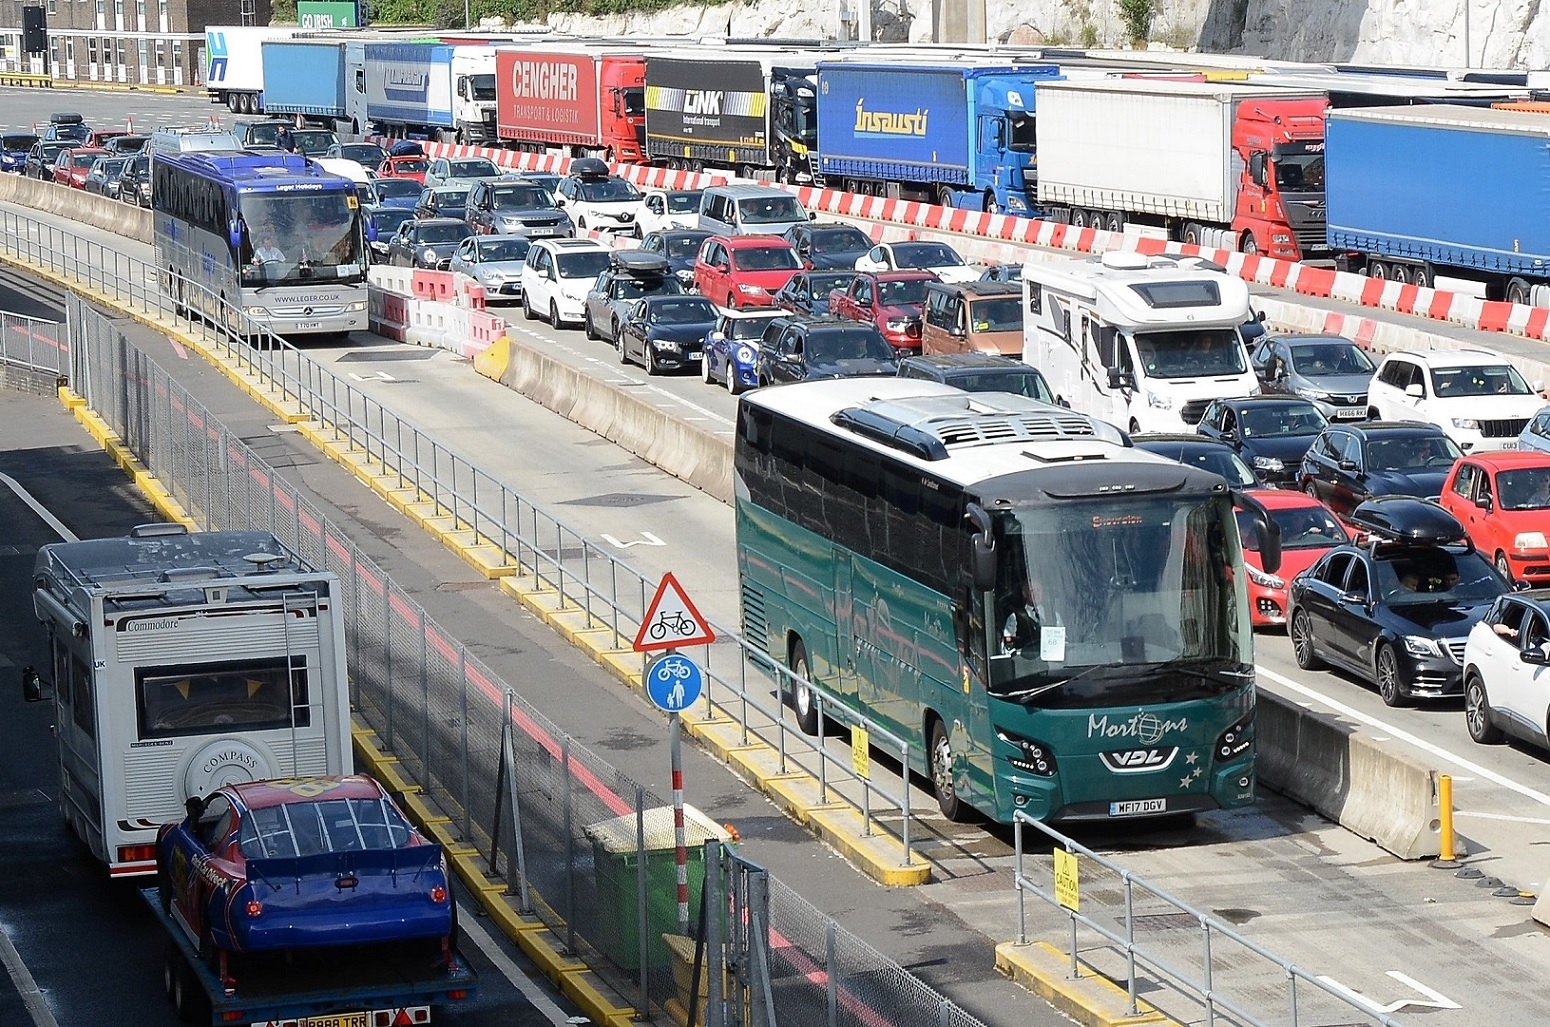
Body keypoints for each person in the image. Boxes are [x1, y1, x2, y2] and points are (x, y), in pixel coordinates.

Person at [1001, 578, 1061, 655]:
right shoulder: (1015, 617)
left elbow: (1063, 640)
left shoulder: (1054, 615)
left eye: (1039, 590)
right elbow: (1007, 646)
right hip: (1027, 663)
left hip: (1053, 662)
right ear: (1024, 593)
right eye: (1033, 590)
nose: (1037, 594)